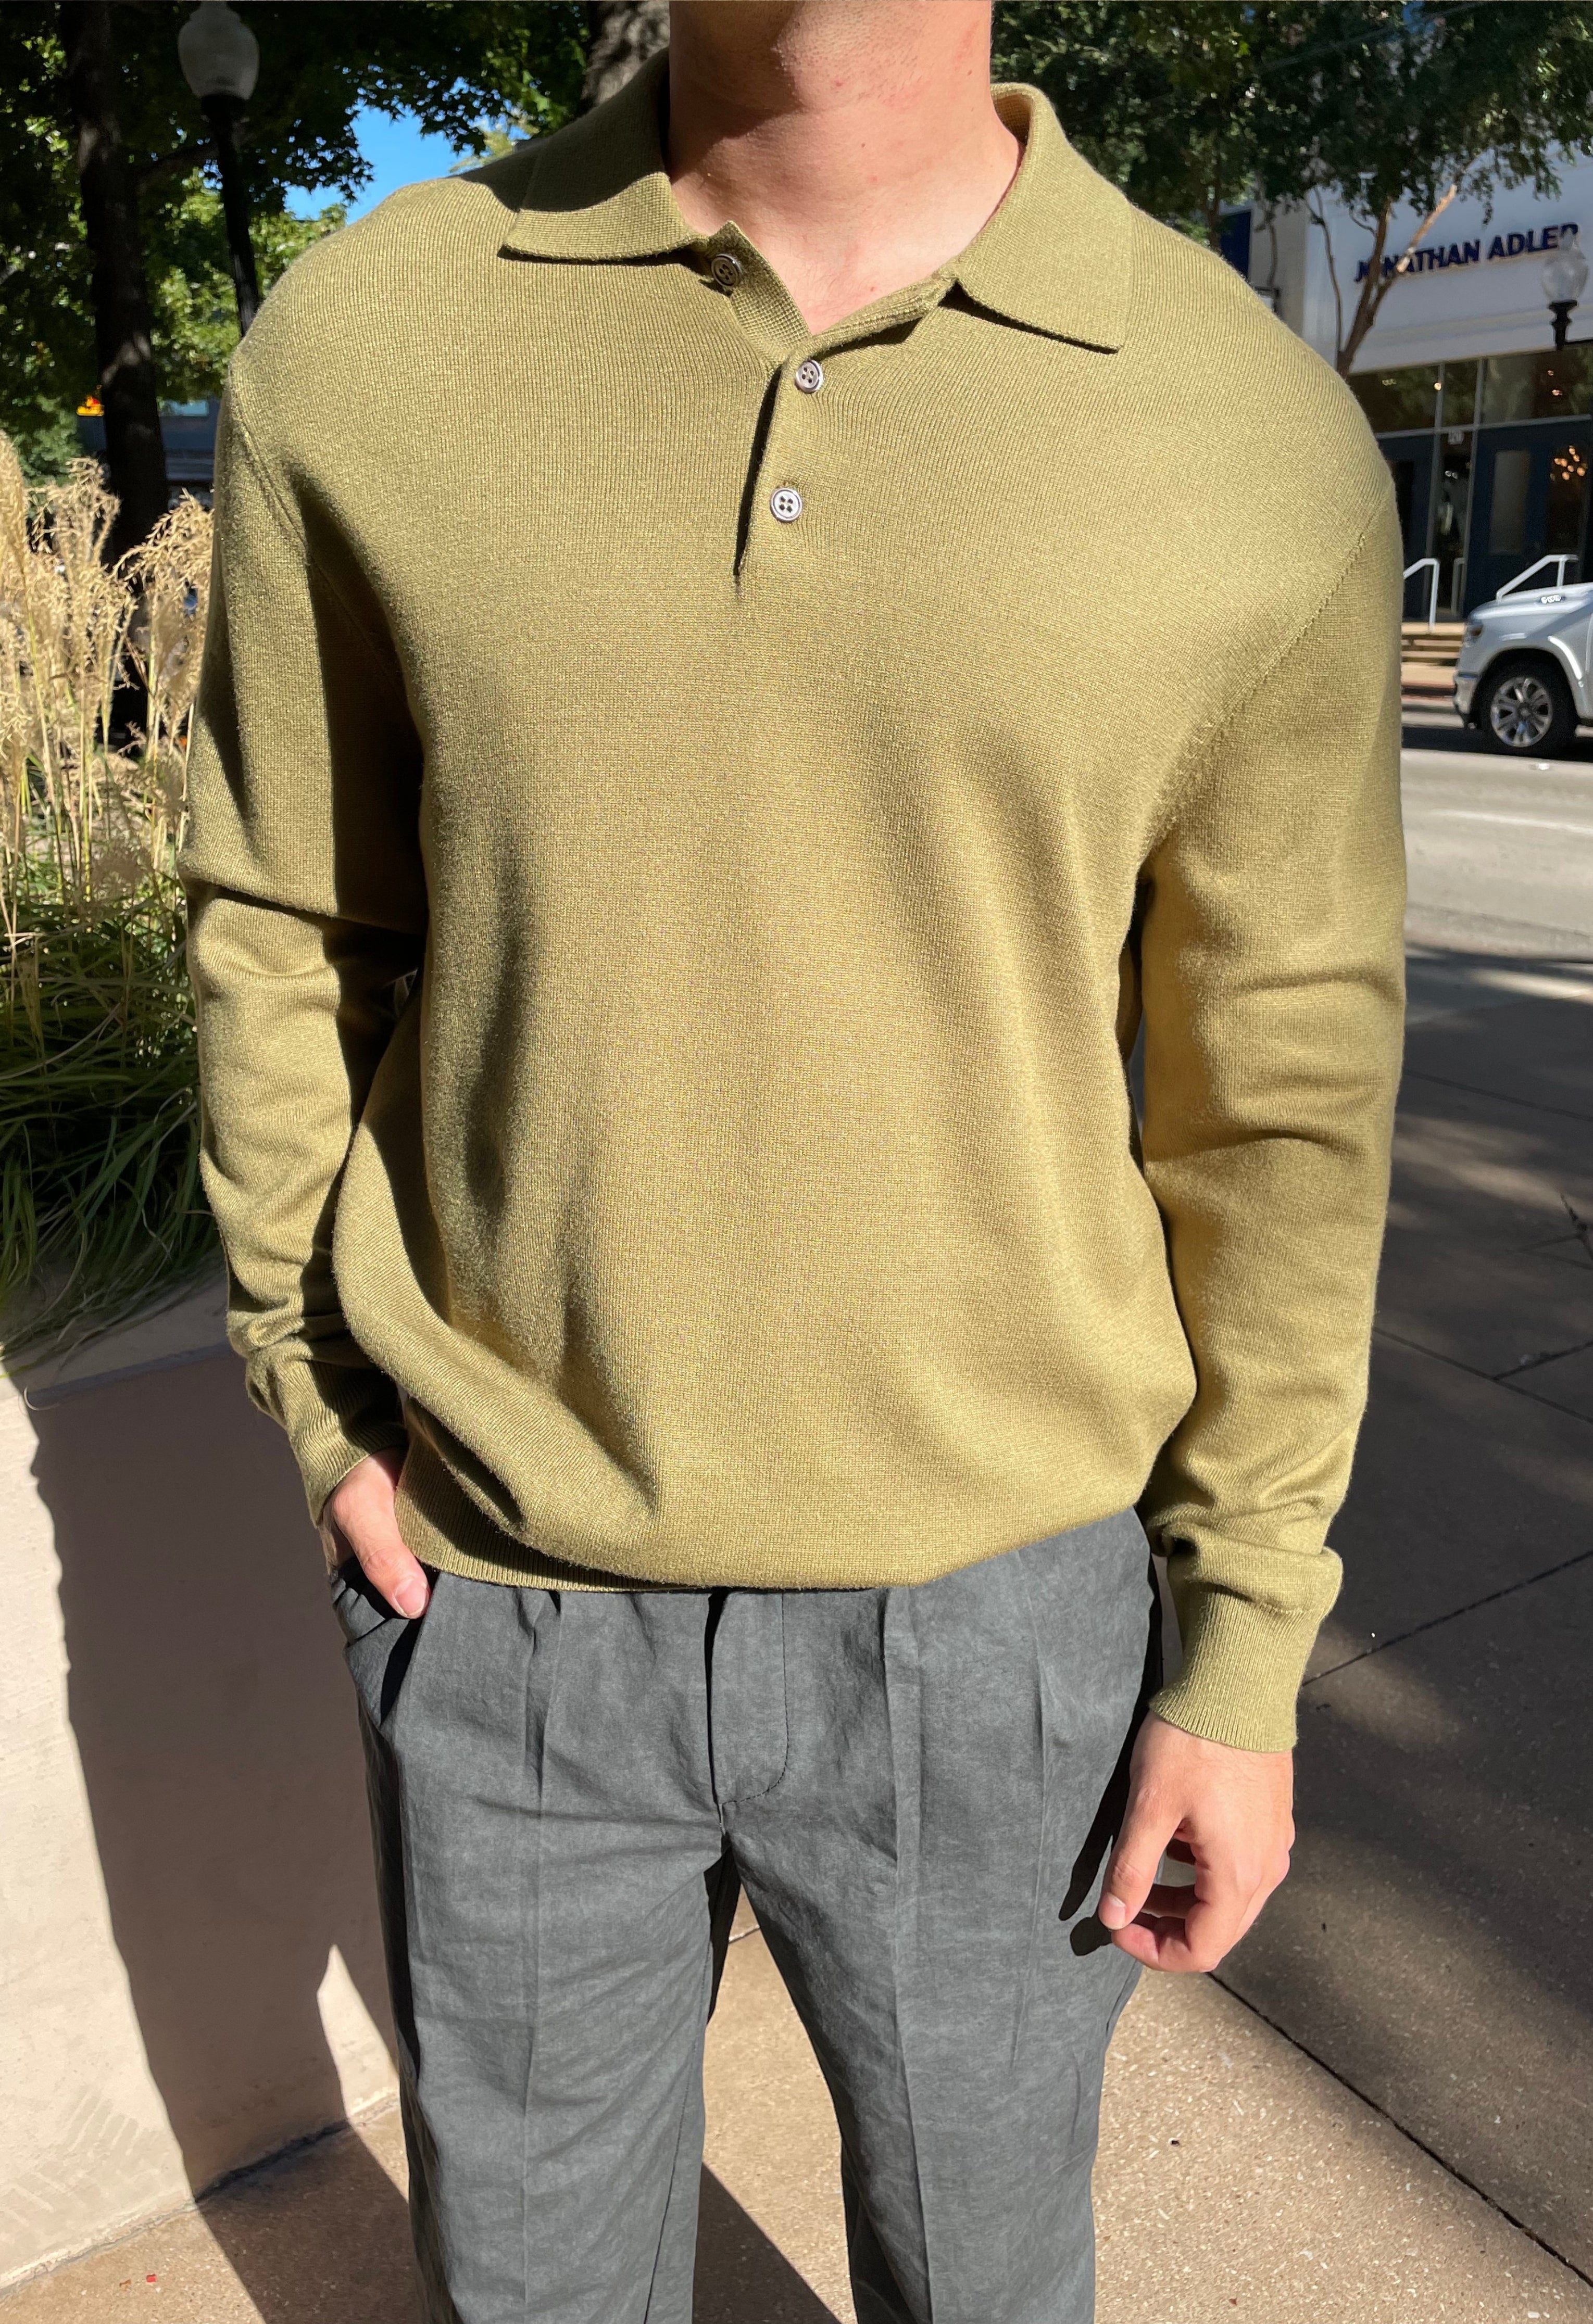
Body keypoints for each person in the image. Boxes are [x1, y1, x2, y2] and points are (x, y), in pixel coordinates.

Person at [181, 3, 1404, 2317]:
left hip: (1005, 1628)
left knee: (990, 2287)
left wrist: (1242, 1649)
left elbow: (1283, 1106)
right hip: (502, 1594)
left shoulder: (1246, 432)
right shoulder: (372, 344)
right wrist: (313, 1389)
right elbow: (285, 918)